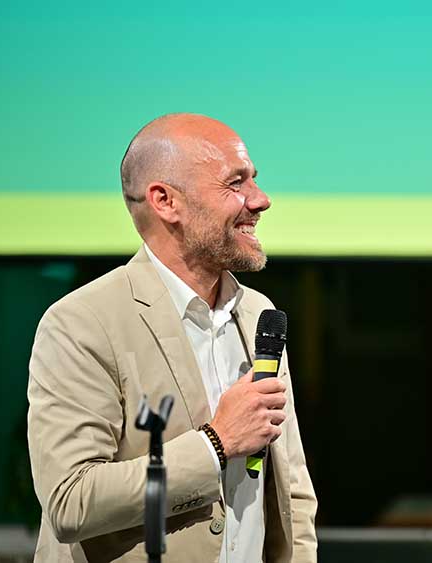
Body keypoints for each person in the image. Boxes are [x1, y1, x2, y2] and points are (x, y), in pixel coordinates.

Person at [27, 114, 317, 562]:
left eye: (254, 179)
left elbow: (291, 488)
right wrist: (216, 443)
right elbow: (72, 501)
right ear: (165, 201)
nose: (260, 200)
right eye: (235, 183)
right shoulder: (82, 323)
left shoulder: (257, 312)